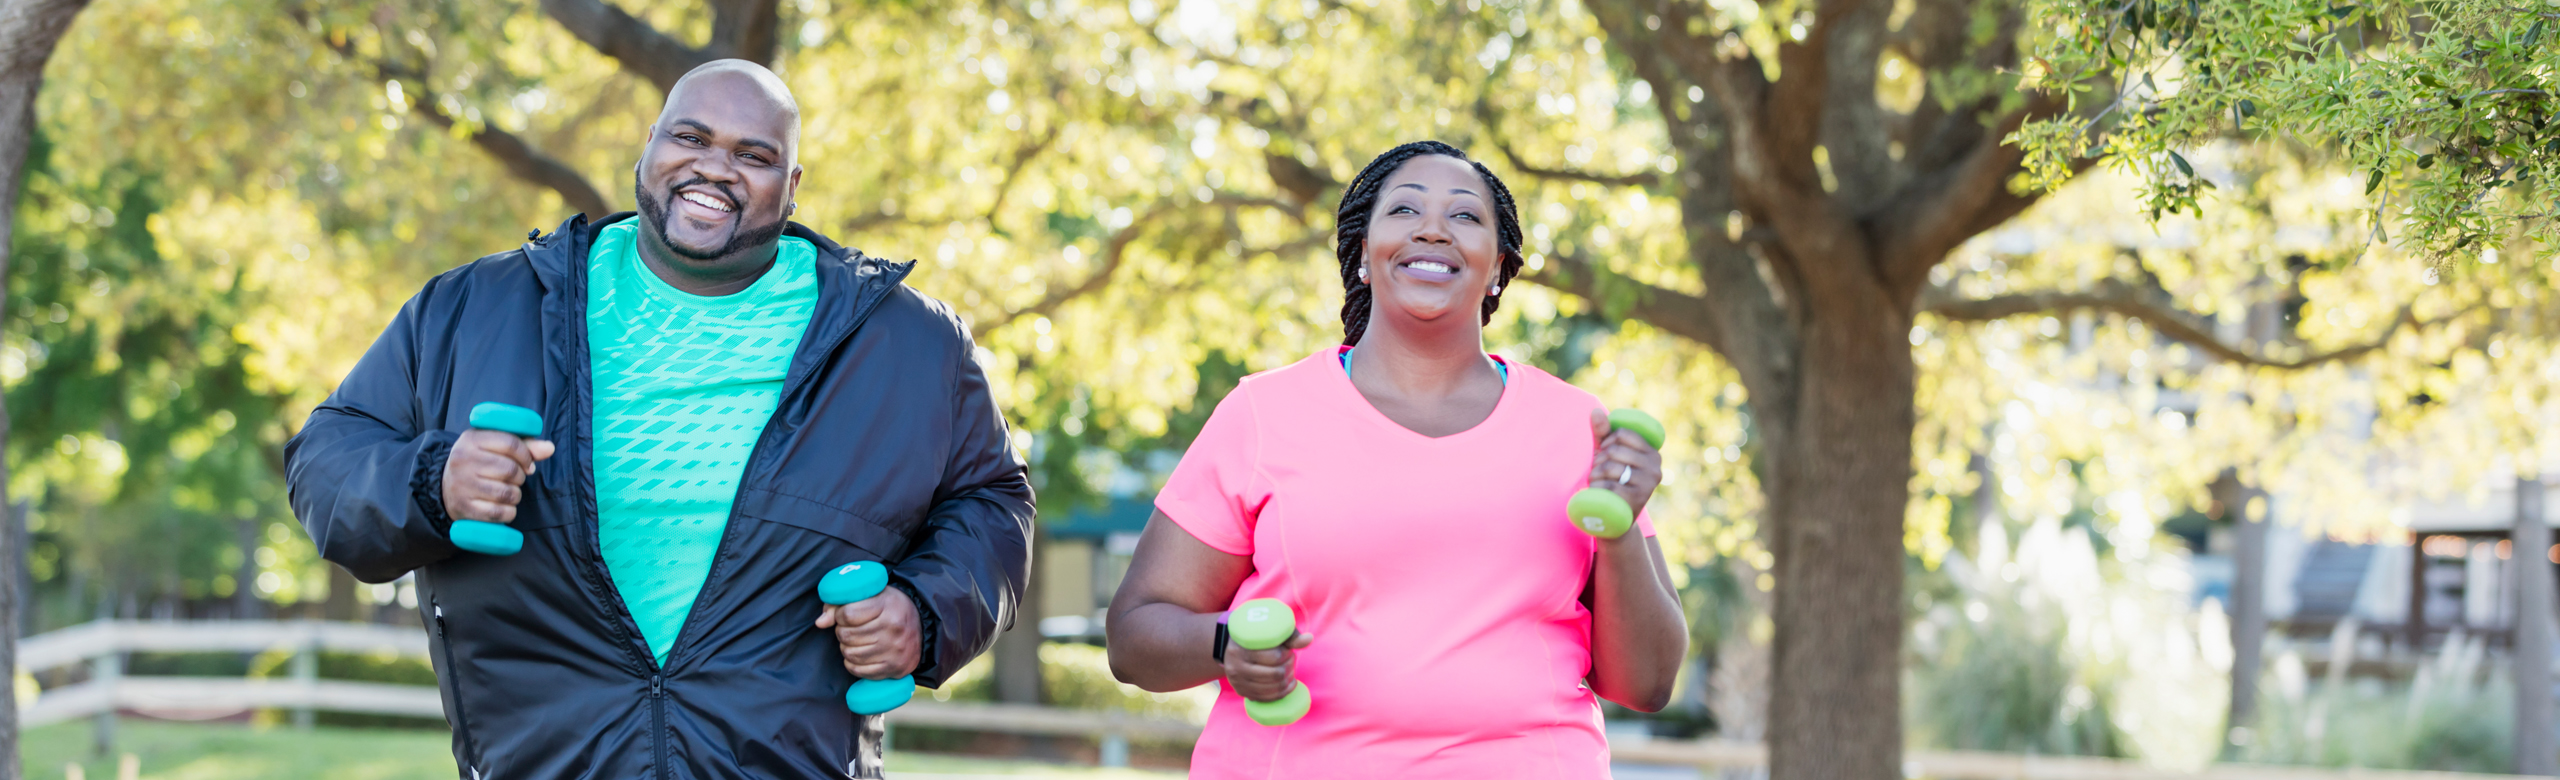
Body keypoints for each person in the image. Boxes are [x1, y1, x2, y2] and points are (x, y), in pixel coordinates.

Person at [284, 60, 1032, 779]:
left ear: (793, 185)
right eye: (691, 138)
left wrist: (924, 612)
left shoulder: (907, 343)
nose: (715, 168)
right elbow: (327, 456)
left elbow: (995, 502)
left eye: (755, 154)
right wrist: (434, 480)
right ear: (650, 144)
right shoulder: (474, 308)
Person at [1105, 140, 1687, 777]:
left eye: (1465, 217)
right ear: (1362, 253)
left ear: (1498, 267)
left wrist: (1623, 529)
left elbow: (1648, 683)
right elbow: (1135, 638)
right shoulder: (1265, 415)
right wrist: (1227, 643)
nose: (1434, 229)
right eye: (1405, 210)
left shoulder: (1577, 427)